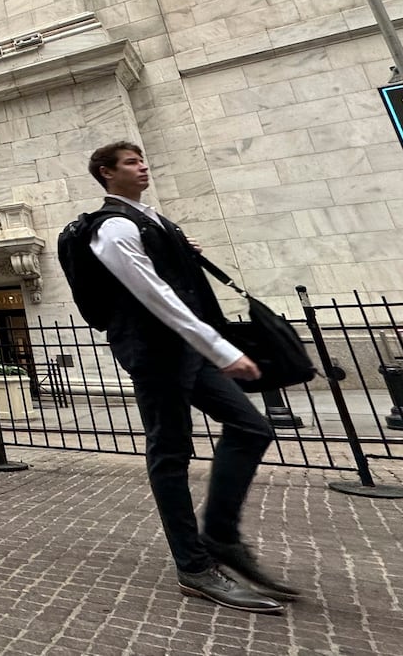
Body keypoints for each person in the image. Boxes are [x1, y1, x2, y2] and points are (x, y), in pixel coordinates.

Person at [83, 141, 294, 614]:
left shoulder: (152, 220)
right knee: (170, 450)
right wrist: (221, 348)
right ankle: (193, 567)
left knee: (251, 426)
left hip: (187, 351)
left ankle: (220, 535)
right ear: (106, 173)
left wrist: (179, 249)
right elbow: (153, 295)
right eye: (132, 163)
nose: (144, 167)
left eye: (142, 160)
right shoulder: (113, 227)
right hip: (156, 354)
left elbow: (174, 280)